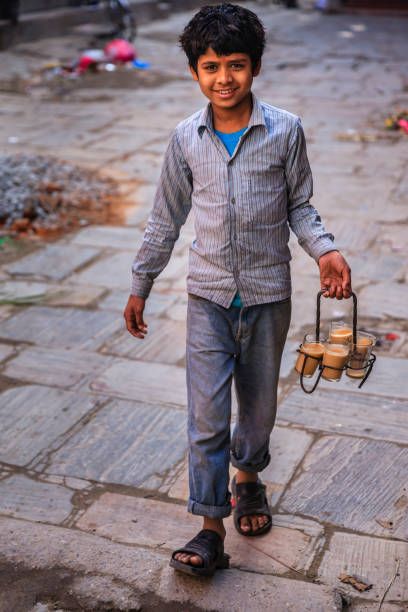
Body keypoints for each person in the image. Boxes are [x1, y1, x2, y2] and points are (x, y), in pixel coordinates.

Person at [124, 3, 351, 577]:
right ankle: (208, 529)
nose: (224, 77)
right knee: (205, 417)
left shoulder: (285, 130)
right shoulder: (185, 139)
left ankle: (248, 480)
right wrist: (140, 283)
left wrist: (325, 249)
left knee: (258, 410)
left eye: (236, 64)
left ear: (256, 67)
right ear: (194, 72)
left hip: (269, 295)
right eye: (211, 66)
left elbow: (299, 204)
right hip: (208, 297)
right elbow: (164, 219)